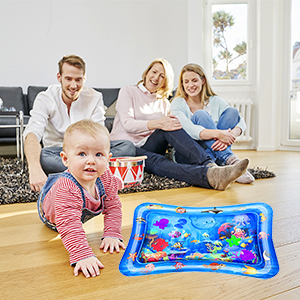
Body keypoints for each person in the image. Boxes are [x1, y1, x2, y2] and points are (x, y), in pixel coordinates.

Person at [110, 58, 250, 191]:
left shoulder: (164, 102)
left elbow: (172, 129)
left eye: (162, 76)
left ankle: (210, 165)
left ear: (165, 82)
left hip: (149, 145)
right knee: (159, 160)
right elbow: (128, 124)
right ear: (147, 73)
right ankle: (211, 174)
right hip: (126, 147)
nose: (156, 78)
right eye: (154, 72)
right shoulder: (128, 91)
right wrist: (159, 123)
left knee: (171, 125)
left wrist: (165, 125)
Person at [24, 54, 135, 192]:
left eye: (78, 79)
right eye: (68, 79)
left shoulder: (95, 97)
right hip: (58, 152)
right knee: (43, 157)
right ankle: (94, 173)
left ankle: (74, 175)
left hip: (89, 152)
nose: (73, 85)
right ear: (59, 77)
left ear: (84, 78)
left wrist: (88, 156)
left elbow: (100, 135)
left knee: (128, 147)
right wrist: (34, 169)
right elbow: (32, 133)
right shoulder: (45, 98)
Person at [37, 119, 125, 278]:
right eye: (82, 154)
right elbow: (69, 224)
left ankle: (115, 184)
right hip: (54, 216)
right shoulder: (67, 188)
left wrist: (112, 233)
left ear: (109, 159)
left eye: (99, 154)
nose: (91, 160)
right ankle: (52, 185)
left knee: (109, 188)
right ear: (65, 159)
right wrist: (82, 254)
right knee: (65, 199)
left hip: (79, 203)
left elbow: (113, 207)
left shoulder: (106, 177)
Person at [171, 63, 254, 184]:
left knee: (232, 112)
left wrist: (231, 134)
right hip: (189, 154)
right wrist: (219, 134)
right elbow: (189, 129)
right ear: (182, 84)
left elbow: (240, 120)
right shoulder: (177, 103)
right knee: (200, 115)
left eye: (194, 80)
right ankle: (230, 159)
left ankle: (219, 163)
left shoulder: (214, 100)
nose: (190, 85)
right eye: (186, 82)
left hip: (214, 153)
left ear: (203, 80)